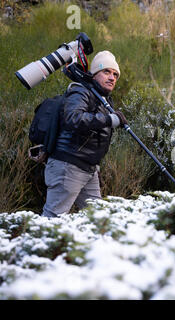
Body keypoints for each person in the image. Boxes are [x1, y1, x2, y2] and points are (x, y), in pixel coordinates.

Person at [42, 51, 128, 218]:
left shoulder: (102, 98)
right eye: (106, 72)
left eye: (115, 74)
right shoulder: (81, 92)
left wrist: (95, 166)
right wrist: (109, 120)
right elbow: (73, 119)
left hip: (88, 169)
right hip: (68, 166)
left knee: (97, 220)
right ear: (94, 74)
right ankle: (32, 244)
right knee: (52, 220)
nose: (112, 77)